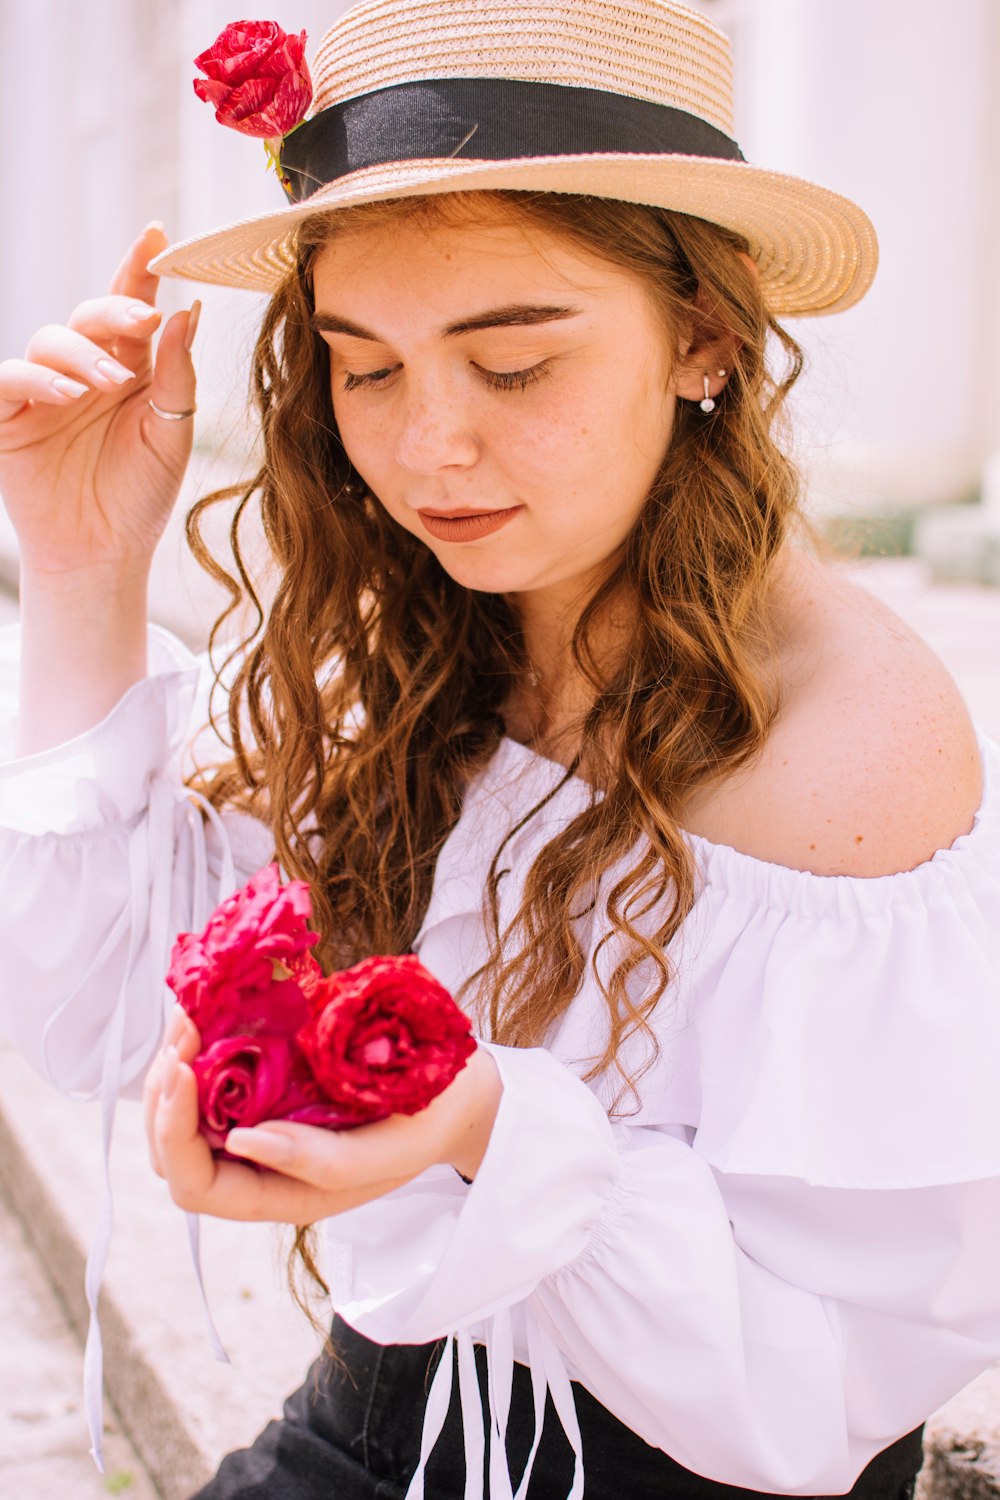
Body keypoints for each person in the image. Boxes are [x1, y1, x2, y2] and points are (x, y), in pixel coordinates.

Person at [1, 1, 999, 1497]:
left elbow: (817, 1386)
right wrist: (82, 575)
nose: (425, 451)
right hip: (369, 1419)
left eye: (513, 367)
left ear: (704, 341)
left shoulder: (847, 753)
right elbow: (85, 1014)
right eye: (367, 366)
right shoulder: (409, 630)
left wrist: (481, 1130)